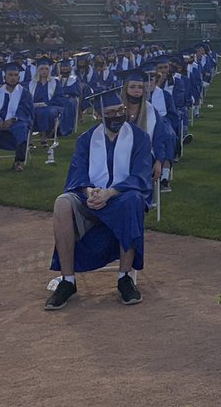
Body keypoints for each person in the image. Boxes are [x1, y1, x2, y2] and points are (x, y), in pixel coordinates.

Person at [45, 100, 153, 309]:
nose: (117, 115)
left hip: (122, 197)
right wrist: (89, 191)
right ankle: (68, 281)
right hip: (91, 197)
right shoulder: (87, 139)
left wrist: (110, 192)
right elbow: (77, 173)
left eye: (120, 110)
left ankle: (125, 279)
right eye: (111, 112)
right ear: (97, 115)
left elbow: (140, 175)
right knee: (62, 203)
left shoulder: (139, 138)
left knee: (133, 201)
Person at [0, 62, 34, 171]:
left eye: (15, 75)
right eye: (10, 75)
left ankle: (18, 161)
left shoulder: (24, 93)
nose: (13, 78)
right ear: (4, 77)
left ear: (19, 77)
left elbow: (26, 110)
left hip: (16, 122)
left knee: (22, 127)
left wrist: (13, 119)